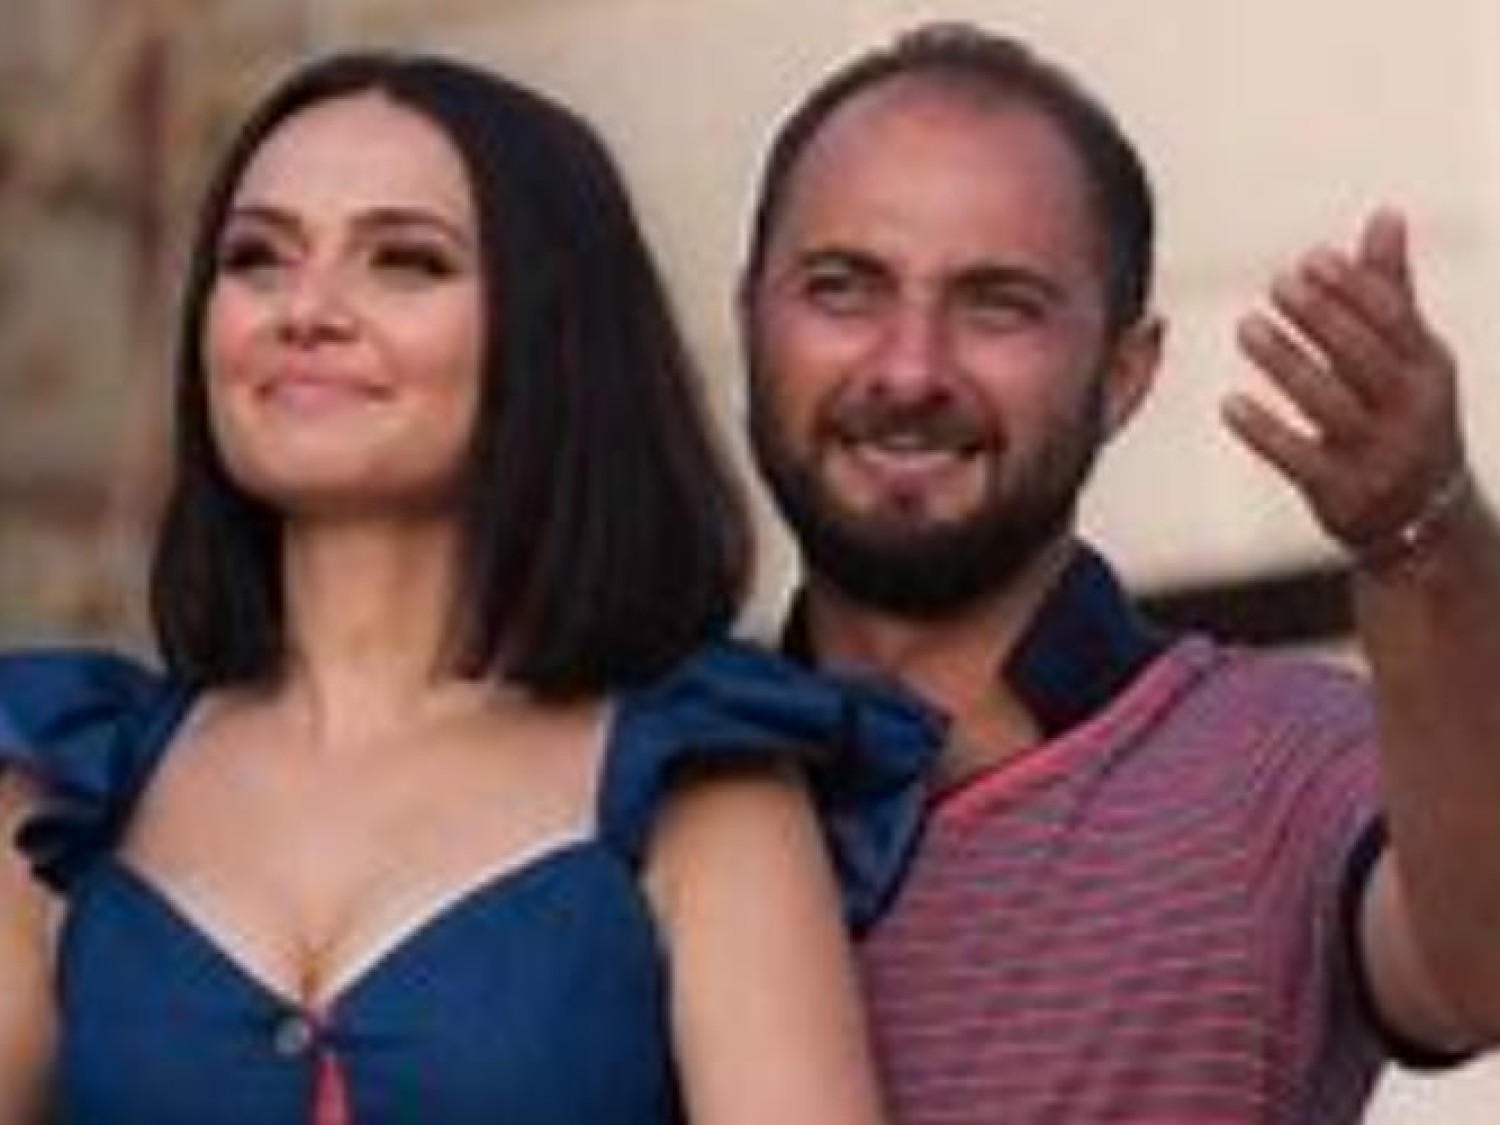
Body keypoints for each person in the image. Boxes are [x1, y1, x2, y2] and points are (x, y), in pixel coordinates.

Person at [0, 52, 940, 1124]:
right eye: (258, 257)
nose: (306, 310)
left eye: (404, 261)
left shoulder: (697, 782)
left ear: (553, 334)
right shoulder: (67, 786)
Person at [738, 22, 1500, 1124]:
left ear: (1125, 374)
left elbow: (1479, 970)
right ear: (749, 321)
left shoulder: (1277, 761)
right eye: (843, 287)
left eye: (998, 303)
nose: (909, 369)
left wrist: (1426, 538)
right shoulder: (661, 774)